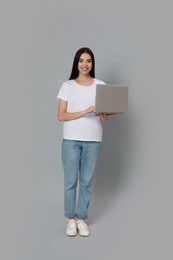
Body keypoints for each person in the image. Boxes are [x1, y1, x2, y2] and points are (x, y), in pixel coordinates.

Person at [56, 47, 114, 237]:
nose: (85, 65)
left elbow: (103, 117)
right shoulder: (67, 86)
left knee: (87, 182)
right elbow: (61, 115)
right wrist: (85, 111)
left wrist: (104, 115)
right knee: (70, 182)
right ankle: (70, 219)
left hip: (93, 140)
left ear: (92, 63)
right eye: (81, 60)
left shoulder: (101, 85)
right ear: (76, 63)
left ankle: (81, 218)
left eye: (88, 61)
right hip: (71, 140)